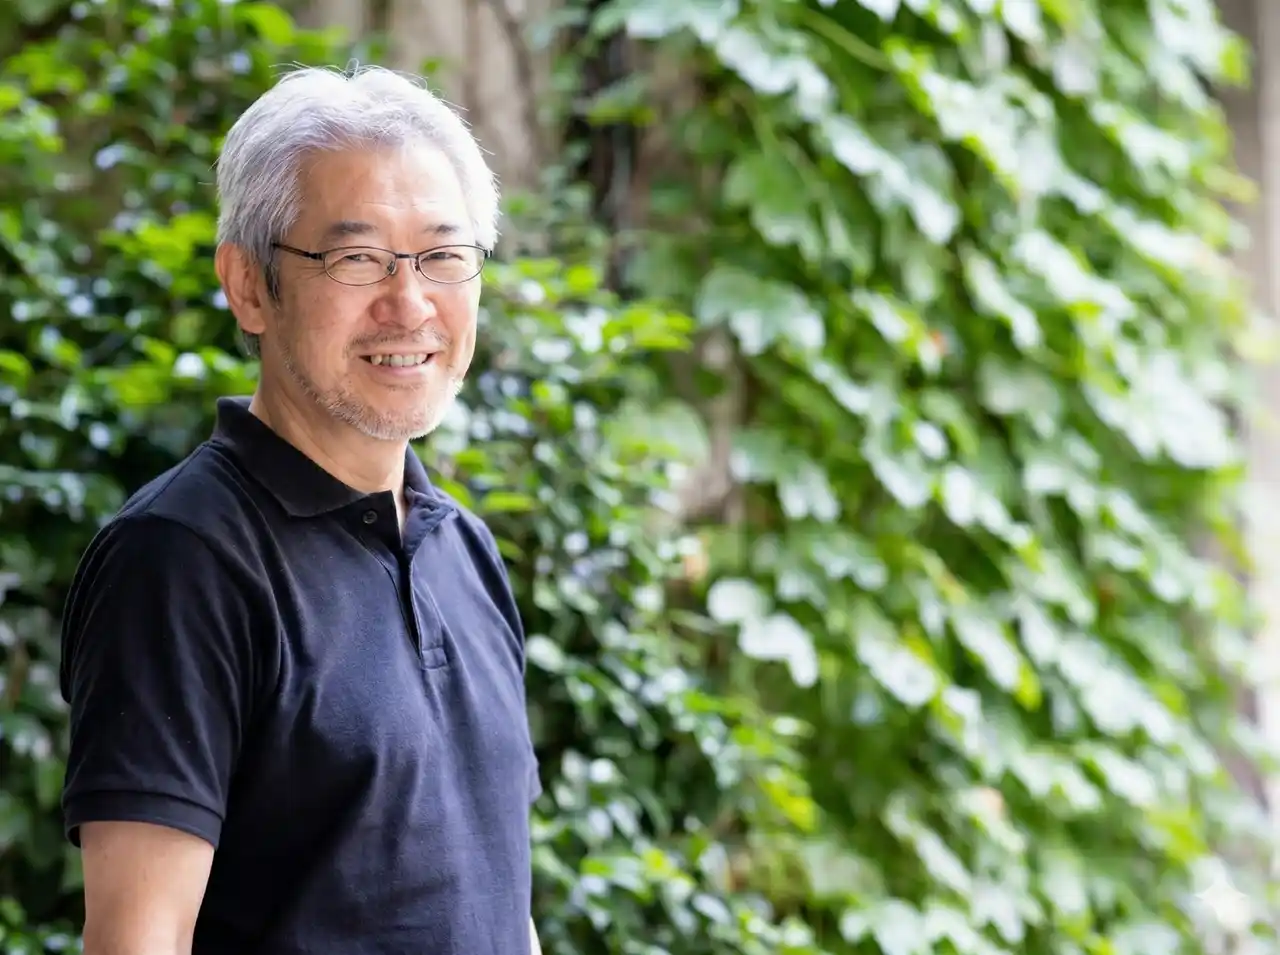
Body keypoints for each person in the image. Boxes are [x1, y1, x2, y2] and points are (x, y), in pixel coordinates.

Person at [58, 65, 542, 955]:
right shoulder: (180, 558)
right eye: (357, 259)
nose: (409, 304)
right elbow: (137, 939)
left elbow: (502, 908)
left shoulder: (464, 550)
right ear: (248, 286)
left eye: (443, 256)